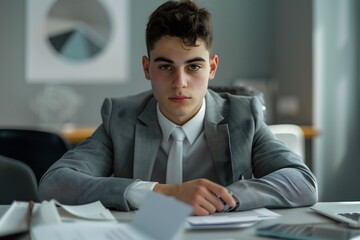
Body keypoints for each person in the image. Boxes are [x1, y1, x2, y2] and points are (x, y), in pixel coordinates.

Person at [39, 0, 318, 216]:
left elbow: (301, 182)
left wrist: (218, 199)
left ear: (212, 68)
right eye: (165, 67)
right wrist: (160, 194)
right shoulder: (120, 117)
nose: (180, 83)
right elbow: (55, 183)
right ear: (147, 68)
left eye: (194, 66)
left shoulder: (244, 115)